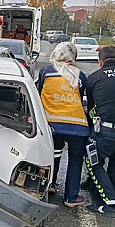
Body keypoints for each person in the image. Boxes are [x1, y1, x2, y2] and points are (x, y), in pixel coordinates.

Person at [36, 42, 90, 208]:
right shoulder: (80, 75)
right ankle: (71, 197)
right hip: (77, 125)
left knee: (52, 154)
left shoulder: (45, 72)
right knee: (75, 160)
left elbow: (37, 94)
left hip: (52, 124)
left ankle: (49, 185)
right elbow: (80, 98)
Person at [84, 45, 115, 218]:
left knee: (92, 161)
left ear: (100, 62)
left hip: (107, 131)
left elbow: (91, 108)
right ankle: (104, 190)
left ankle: (111, 202)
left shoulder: (94, 78)